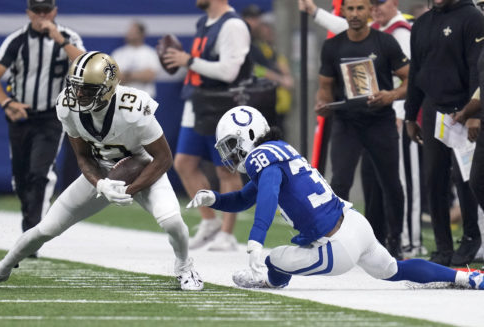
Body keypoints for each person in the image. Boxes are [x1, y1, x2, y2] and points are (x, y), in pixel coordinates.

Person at [0, 52, 204, 291]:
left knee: (172, 222)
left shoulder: (133, 107)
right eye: (76, 86)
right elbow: (83, 157)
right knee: (46, 229)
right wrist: (102, 185)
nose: (79, 93)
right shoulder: (67, 104)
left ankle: (185, 267)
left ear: (107, 88)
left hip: (144, 168)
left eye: (88, 88)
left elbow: (163, 158)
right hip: (102, 170)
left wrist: (130, 189)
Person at [186, 105, 484, 290]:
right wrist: (213, 198)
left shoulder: (262, 158)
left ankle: (268, 280)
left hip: (337, 246)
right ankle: (467, 279)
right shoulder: (279, 151)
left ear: (250, 134)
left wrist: (255, 240)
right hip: (356, 225)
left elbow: (267, 194)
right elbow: (244, 197)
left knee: (275, 259)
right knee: (393, 269)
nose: (231, 154)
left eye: (232, 144)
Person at [299, 0, 420, 259]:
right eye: (350, 9)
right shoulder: (333, 46)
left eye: (360, 8)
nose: (355, 14)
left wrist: (391, 95)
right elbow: (325, 87)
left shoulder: (385, 42)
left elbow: (411, 80)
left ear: (369, 11)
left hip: (380, 122)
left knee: (391, 184)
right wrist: (322, 104)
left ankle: (395, 241)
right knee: (340, 181)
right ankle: (337, 241)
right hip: (347, 123)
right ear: (343, 12)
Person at [0, 0, 85, 237]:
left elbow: (85, 65)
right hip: (21, 116)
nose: (42, 15)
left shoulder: (68, 37)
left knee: (40, 174)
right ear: (28, 13)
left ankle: (32, 235)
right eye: (37, 10)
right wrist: (7, 103)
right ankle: (31, 223)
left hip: (51, 116)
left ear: (55, 11)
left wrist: (59, 39)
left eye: (46, 10)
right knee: (21, 179)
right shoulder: (16, 41)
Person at [162, 0, 253, 251]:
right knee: (184, 163)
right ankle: (210, 222)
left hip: (222, 104)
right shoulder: (204, 22)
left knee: (227, 170)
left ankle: (227, 233)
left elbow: (228, 72)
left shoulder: (233, 25)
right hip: (198, 100)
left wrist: (188, 60)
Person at [405, 0, 484, 266]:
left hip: (463, 109)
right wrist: (409, 115)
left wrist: (475, 114)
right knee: (433, 179)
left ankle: (471, 239)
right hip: (433, 110)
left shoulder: (472, 17)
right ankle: (443, 247)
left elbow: (478, 69)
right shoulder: (423, 23)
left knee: (465, 179)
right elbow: (416, 70)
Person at [242, 5, 294, 137]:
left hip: (270, 102)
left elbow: (276, 61)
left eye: (258, 18)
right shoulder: (244, 43)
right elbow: (255, 69)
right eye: (253, 18)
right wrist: (280, 79)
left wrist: (285, 75)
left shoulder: (261, 45)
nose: (257, 22)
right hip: (251, 102)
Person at [111, 21, 161, 98]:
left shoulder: (150, 53)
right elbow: (114, 78)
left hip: (144, 99)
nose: (129, 34)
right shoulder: (118, 53)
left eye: (133, 32)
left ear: (142, 34)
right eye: (129, 31)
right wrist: (139, 74)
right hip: (121, 99)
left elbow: (150, 76)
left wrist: (127, 75)